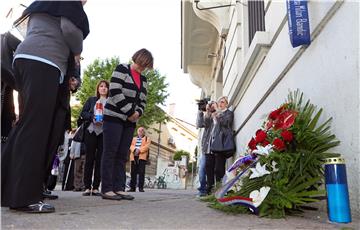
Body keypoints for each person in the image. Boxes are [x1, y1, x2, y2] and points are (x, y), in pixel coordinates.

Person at [1, 0, 89, 213]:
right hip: (45, 62)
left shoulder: (44, 4)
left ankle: (8, 188)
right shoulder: (70, 4)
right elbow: (69, 29)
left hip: (24, 59)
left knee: (25, 126)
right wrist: (77, 51)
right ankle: (24, 198)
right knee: (35, 130)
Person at [101, 49, 153, 200]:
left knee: (122, 154)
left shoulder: (144, 80)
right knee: (110, 152)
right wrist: (130, 111)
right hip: (114, 118)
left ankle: (119, 187)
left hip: (130, 122)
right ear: (137, 59)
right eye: (142, 64)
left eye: (146, 66)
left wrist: (138, 113)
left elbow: (143, 100)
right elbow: (115, 91)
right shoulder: (122, 68)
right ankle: (107, 188)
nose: (143, 68)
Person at [79, 80, 109, 196]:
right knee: (89, 159)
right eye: (101, 86)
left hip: (103, 133)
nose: (103, 88)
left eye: (106, 87)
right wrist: (92, 117)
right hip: (90, 132)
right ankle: (87, 187)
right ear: (98, 88)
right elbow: (83, 113)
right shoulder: (92, 100)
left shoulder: (110, 102)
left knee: (100, 160)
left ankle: (96, 187)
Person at [206, 96, 234, 194]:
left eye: (222, 102)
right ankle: (218, 189)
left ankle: (221, 190)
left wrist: (218, 113)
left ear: (226, 103)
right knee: (215, 168)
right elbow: (216, 130)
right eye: (219, 102)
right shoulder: (218, 114)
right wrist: (214, 117)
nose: (220, 104)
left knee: (219, 168)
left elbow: (226, 123)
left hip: (224, 144)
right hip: (217, 145)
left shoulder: (228, 113)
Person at [196, 100, 216, 196]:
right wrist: (200, 111)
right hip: (207, 148)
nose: (211, 107)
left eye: (213, 106)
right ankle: (202, 190)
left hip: (218, 148)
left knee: (215, 170)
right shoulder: (208, 117)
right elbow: (199, 124)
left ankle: (212, 189)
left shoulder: (218, 116)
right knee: (202, 169)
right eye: (210, 106)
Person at [128, 127, 151, 192]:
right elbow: (131, 145)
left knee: (141, 172)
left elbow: (147, 146)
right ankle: (132, 188)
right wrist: (134, 149)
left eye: (142, 130)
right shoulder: (133, 138)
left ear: (144, 132)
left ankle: (141, 188)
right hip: (133, 157)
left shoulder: (147, 138)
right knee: (133, 172)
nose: (141, 131)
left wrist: (139, 150)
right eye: (139, 130)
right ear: (137, 132)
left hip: (142, 157)